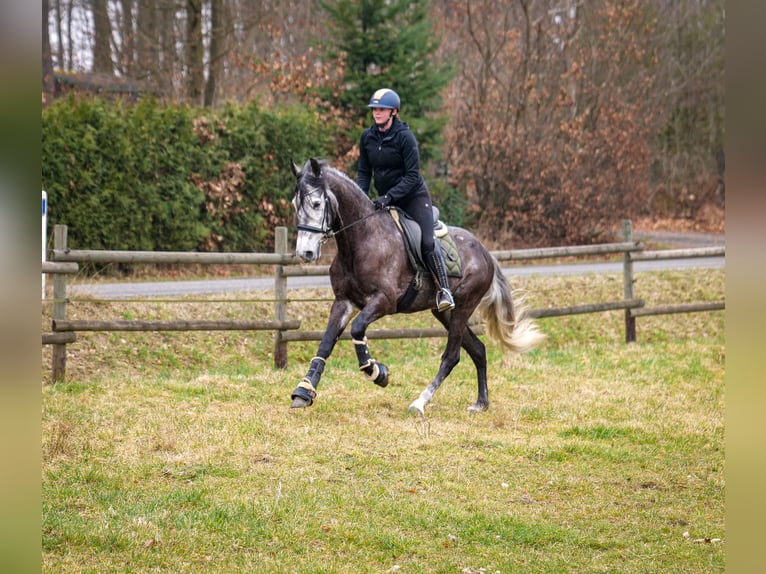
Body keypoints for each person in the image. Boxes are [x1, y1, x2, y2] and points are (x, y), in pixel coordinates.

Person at [356, 88, 455, 312]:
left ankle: (444, 289)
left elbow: (412, 176)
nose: (376, 113)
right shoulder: (367, 137)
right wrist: (361, 199)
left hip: (413, 197)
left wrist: (388, 197)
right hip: (384, 200)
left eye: (381, 109)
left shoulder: (405, 137)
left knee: (427, 241)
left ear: (393, 111)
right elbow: (364, 173)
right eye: (374, 109)